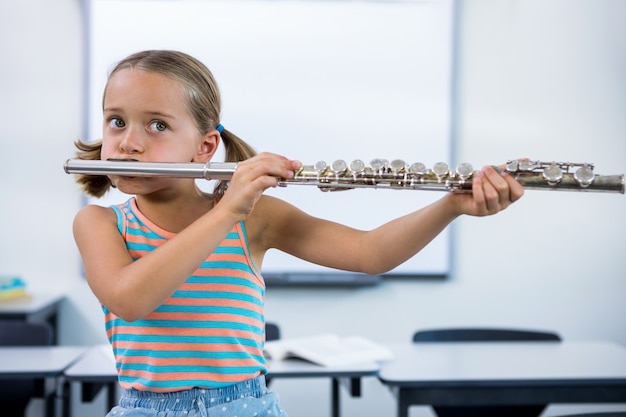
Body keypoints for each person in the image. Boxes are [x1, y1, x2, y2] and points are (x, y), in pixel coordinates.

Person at [72, 49, 524, 417]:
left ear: (205, 146)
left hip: (246, 409)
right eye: (117, 121)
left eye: (158, 125)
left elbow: (369, 254)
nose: (129, 143)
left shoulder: (253, 217)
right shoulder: (101, 223)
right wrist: (228, 210)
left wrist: (450, 206)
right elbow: (129, 300)